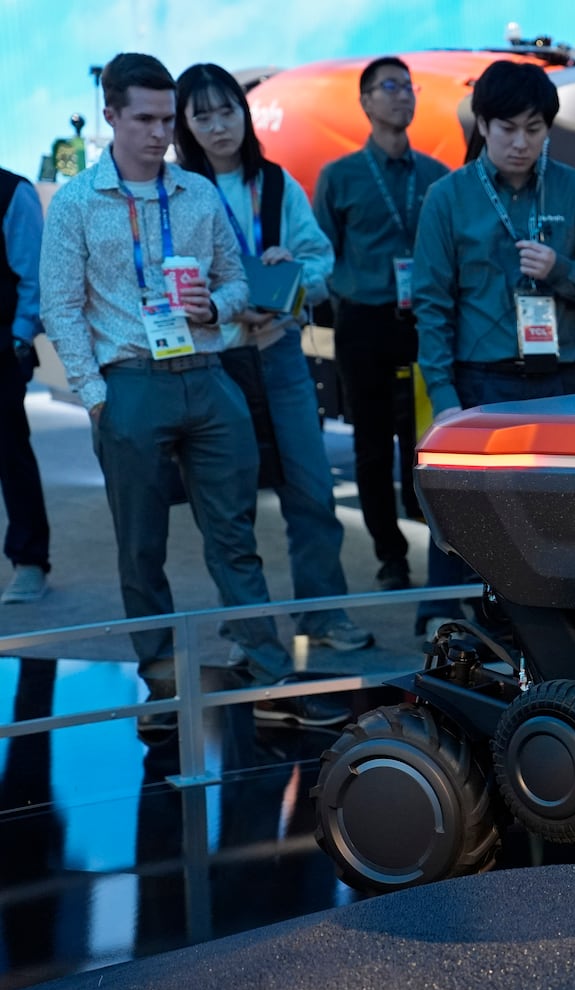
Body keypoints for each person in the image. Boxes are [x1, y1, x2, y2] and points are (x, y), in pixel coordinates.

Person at [39, 52, 294, 701]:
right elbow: (61, 308)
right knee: (140, 545)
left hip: (207, 374)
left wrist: (221, 304)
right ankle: (158, 678)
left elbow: (234, 277)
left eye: (166, 118)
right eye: (145, 118)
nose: (160, 132)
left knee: (234, 536)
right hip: (129, 382)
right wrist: (97, 399)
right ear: (112, 115)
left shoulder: (197, 192)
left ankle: (267, 664)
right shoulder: (75, 204)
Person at [174, 62, 374, 657]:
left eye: (227, 110)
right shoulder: (181, 194)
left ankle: (323, 614)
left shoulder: (279, 184)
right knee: (227, 505)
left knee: (311, 491)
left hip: (282, 352)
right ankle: (249, 627)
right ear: (185, 125)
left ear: (245, 112)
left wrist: (289, 282)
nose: (218, 126)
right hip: (217, 361)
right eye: (202, 115)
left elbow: (322, 263)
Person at [412, 59, 575, 640]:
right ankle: (450, 626)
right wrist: (444, 399)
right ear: (482, 124)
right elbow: (431, 305)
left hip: (567, 383)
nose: (520, 143)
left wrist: (561, 271)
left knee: (565, 510)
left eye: (534, 129)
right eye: (507, 129)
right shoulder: (447, 198)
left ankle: (569, 628)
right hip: (484, 384)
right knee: (468, 513)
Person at [313, 56, 449, 593]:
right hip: (364, 323)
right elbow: (324, 253)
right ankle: (389, 554)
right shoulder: (340, 176)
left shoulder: (436, 176)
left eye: (408, 87)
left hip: (423, 322)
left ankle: (442, 545)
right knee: (370, 444)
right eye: (388, 87)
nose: (402, 96)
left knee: (424, 439)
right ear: (365, 101)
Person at [0, 166, 50, 605]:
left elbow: (33, 275)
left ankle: (29, 561)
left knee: (9, 453)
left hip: (1, 350)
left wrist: (18, 336)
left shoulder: (12, 191)